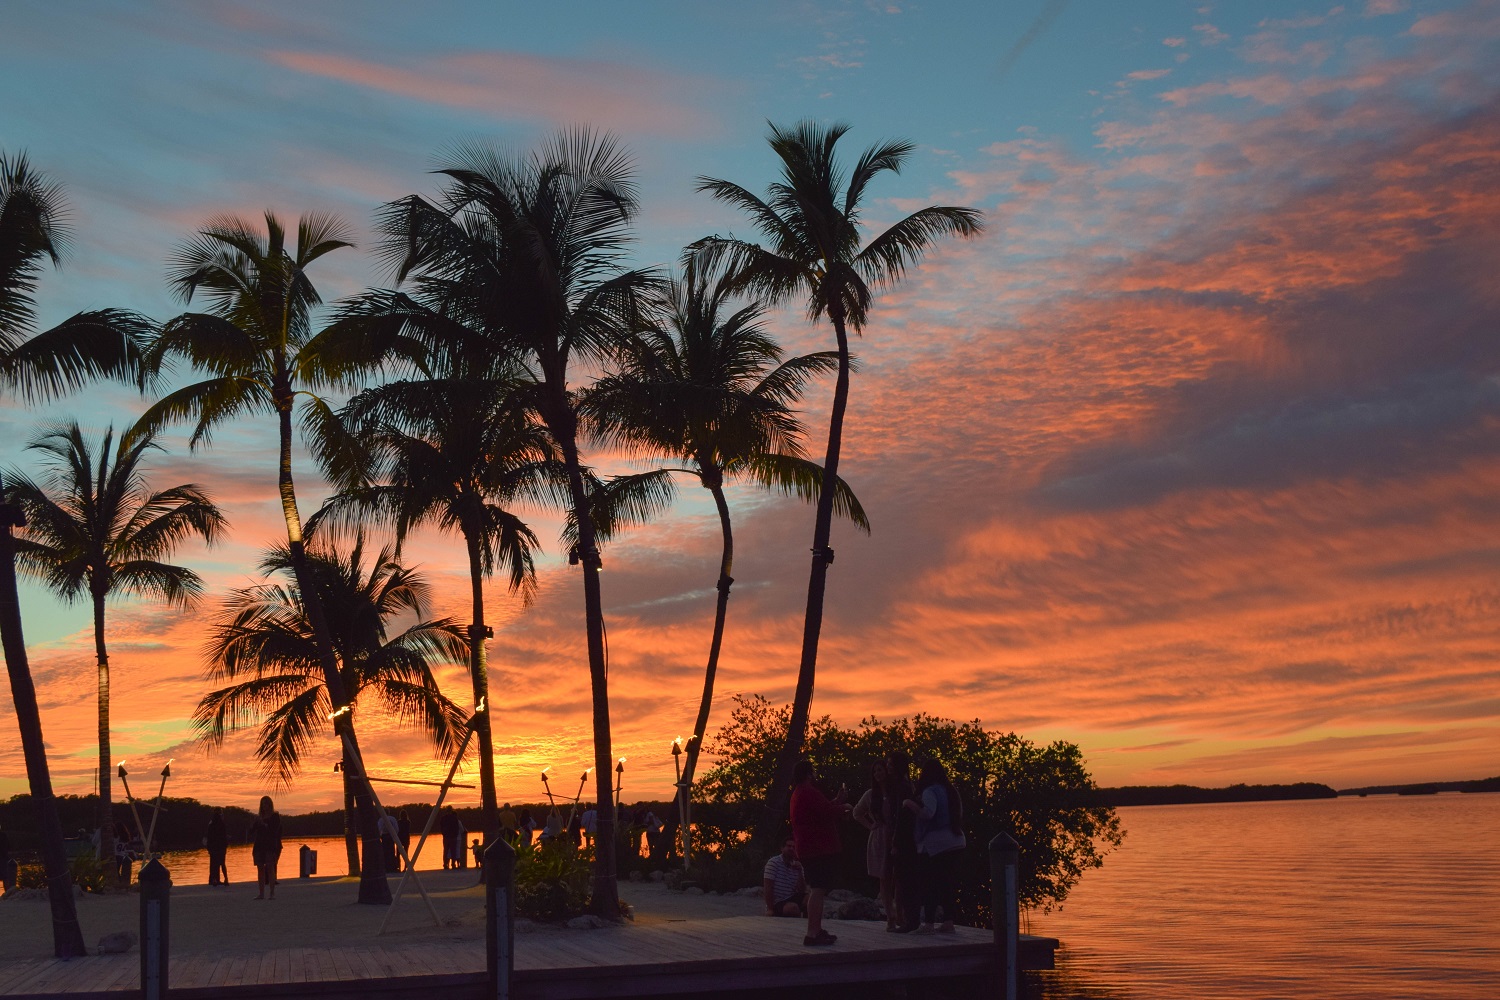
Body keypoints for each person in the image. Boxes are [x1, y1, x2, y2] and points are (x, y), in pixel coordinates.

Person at [789, 758, 851, 947]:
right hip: (817, 849)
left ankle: (816, 929)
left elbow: (820, 810)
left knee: (817, 888)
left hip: (808, 848)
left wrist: (837, 801)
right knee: (818, 889)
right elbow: (827, 812)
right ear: (808, 774)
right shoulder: (808, 792)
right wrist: (845, 808)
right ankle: (813, 932)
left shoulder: (799, 793)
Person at [903, 758, 967, 934]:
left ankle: (929, 924)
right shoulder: (951, 791)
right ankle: (948, 921)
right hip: (957, 841)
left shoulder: (930, 791)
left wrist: (910, 804)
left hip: (936, 845)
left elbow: (928, 813)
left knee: (929, 883)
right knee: (946, 883)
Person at [852, 759, 895, 930]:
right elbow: (857, 813)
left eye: (880, 770)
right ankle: (890, 916)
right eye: (875, 771)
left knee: (898, 877)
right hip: (879, 837)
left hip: (895, 836)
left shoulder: (896, 791)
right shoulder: (870, 794)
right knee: (884, 879)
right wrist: (871, 826)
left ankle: (901, 913)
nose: (878, 774)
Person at [886, 750, 920, 932]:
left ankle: (910, 921)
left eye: (891, 764)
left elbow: (901, 816)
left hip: (904, 841)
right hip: (906, 839)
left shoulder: (902, 786)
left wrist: (896, 841)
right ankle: (910, 919)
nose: (888, 767)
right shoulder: (904, 785)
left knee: (905, 880)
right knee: (905, 881)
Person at [762, 838, 807, 917]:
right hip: (778, 901)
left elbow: (802, 890)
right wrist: (770, 909)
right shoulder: (773, 863)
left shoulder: (798, 865)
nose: (791, 849)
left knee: (810, 900)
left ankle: (809, 923)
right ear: (782, 848)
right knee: (793, 908)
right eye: (789, 846)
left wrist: (800, 872)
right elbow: (768, 887)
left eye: (794, 847)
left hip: (791, 897)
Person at [249, 795, 283, 900]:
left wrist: (263, 824)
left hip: (269, 845)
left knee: (270, 868)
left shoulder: (275, 816)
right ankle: (261, 893)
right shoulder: (259, 817)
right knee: (260, 869)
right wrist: (255, 823)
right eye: (263, 804)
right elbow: (251, 831)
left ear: (270, 804)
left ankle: (272, 893)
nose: (265, 806)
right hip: (259, 845)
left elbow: (274, 830)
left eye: (266, 804)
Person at [206, 809, 229, 886]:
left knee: (213, 864)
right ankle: (225, 879)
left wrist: (208, 847)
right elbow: (224, 836)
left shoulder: (211, 823)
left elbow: (209, 836)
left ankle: (214, 879)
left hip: (213, 847)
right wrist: (226, 845)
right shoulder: (221, 824)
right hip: (221, 846)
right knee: (222, 863)